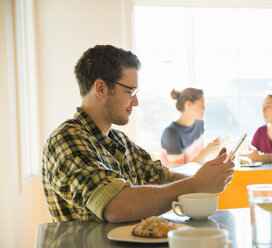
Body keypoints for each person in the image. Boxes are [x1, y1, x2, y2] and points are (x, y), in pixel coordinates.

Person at [41, 45, 234, 223]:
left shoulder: (119, 141)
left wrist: (208, 178)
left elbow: (166, 179)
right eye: (130, 91)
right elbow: (117, 207)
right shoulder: (66, 139)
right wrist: (195, 185)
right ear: (101, 89)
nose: (136, 102)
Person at [161, 88, 220, 166]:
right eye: (201, 104)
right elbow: (178, 173)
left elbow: (201, 161)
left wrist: (213, 149)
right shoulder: (171, 134)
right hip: (183, 177)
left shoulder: (199, 124)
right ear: (188, 104)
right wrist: (205, 152)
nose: (204, 108)